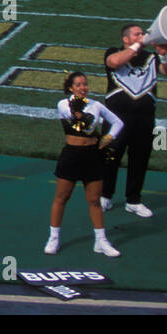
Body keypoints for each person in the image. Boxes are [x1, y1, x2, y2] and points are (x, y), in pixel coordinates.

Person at [100, 22, 167, 217]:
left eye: (143, 33)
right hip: (117, 118)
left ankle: (133, 200)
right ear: (126, 39)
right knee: (110, 156)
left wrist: (164, 55)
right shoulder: (113, 51)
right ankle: (105, 195)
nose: (142, 36)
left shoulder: (151, 57)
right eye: (137, 34)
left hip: (145, 118)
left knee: (139, 159)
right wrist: (136, 46)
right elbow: (115, 63)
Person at [45, 71, 123, 258]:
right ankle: (53, 238)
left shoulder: (96, 105)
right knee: (61, 198)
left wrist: (109, 137)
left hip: (92, 156)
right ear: (71, 88)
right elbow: (81, 125)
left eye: (85, 84)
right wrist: (83, 115)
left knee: (94, 200)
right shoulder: (63, 104)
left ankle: (101, 241)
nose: (83, 88)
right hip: (71, 155)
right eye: (78, 85)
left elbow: (118, 122)